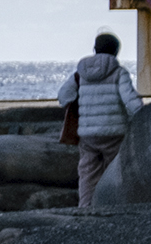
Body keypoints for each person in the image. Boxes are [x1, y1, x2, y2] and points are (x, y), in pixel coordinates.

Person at [59, 31, 142, 209]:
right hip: (115, 133)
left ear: (94, 49)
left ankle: (86, 208)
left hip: (88, 135)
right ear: (116, 51)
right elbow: (130, 100)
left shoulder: (80, 74)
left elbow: (64, 96)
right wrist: (143, 115)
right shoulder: (119, 73)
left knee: (88, 175)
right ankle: (116, 208)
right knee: (117, 172)